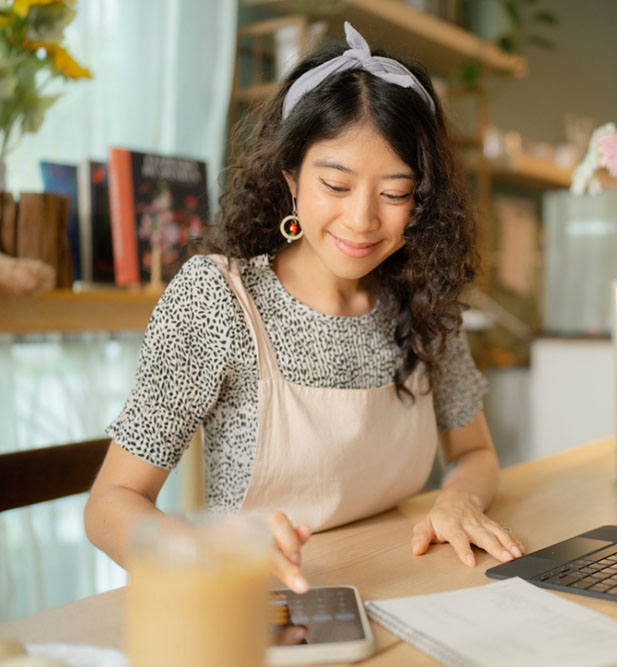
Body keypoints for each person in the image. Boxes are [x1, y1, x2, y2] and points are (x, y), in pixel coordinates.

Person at [84, 23, 524, 593]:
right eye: (336, 186)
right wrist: (207, 552)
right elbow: (110, 505)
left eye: (394, 193)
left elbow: (474, 451)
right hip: (260, 606)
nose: (362, 220)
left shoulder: (423, 297)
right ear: (291, 174)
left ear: (422, 199)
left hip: (407, 585)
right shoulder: (218, 299)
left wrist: (459, 500)